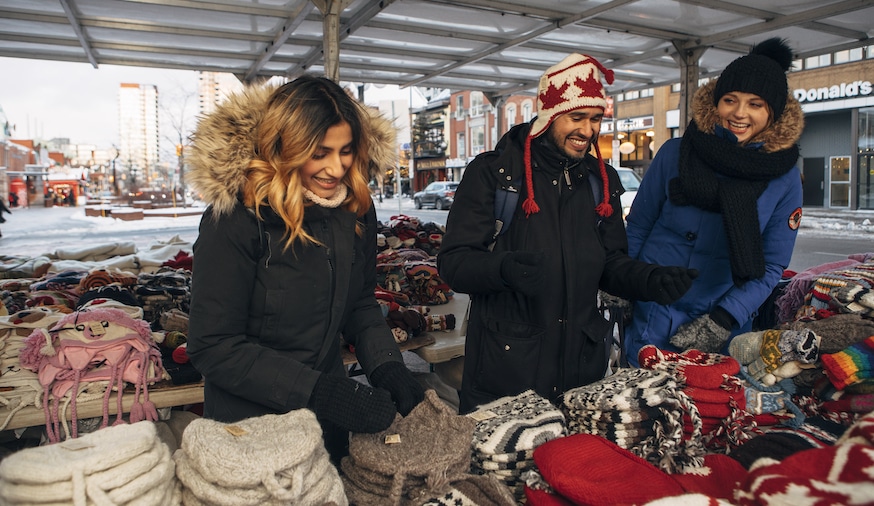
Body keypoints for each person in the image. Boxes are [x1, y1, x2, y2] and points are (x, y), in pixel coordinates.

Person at [437, 54, 699, 413]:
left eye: (595, 119)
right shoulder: (494, 174)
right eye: (576, 118)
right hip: (507, 370)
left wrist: (649, 279)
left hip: (582, 372)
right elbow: (453, 264)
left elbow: (610, 263)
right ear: (548, 116)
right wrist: (503, 269)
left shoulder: (600, 180)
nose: (588, 131)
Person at [185, 75, 425, 462]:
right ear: (286, 147)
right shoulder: (236, 218)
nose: (336, 168)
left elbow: (360, 303)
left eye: (346, 151)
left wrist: (386, 366)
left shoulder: (354, 207)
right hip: (250, 426)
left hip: (326, 418)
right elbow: (213, 346)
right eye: (319, 152)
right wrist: (321, 392)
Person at [623, 38, 804, 366]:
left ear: (773, 113)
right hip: (653, 310)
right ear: (716, 103)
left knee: (709, 411)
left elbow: (772, 264)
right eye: (730, 100)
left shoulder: (784, 177)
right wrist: (622, 282)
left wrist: (723, 319)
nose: (739, 113)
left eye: (755, 104)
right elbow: (637, 226)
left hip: (720, 322)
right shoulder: (676, 152)